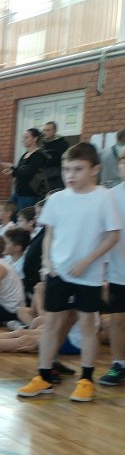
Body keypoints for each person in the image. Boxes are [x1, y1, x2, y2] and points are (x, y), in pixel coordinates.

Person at [18, 143, 122, 402]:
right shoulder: (56, 199)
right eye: (66, 169)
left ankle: (86, 379)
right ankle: (43, 376)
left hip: (88, 275)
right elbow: (49, 235)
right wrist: (47, 260)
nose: (70, 175)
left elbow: (112, 236)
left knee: (88, 325)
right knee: (51, 324)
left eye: (78, 169)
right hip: (59, 273)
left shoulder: (104, 197)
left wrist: (88, 261)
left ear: (94, 169)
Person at [100, 149, 125, 385]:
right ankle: (119, 364)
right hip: (119, 271)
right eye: (123, 162)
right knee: (117, 319)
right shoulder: (111, 196)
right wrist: (104, 271)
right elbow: (104, 234)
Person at [0, 128, 47, 210]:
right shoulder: (24, 155)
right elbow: (20, 172)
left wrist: (12, 167)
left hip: (29, 194)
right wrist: (11, 171)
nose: (23, 140)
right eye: (23, 138)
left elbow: (27, 174)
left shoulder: (38, 156)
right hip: (18, 191)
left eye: (26, 137)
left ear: (35, 139)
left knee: (23, 215)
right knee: (9, 213)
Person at [40, 121, 69, 191]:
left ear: (55, 131)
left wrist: (46, 156)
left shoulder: (62, 143)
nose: (45, 132)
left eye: (48, 130)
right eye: (44, 130)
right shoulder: (42, 145)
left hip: (56, 177)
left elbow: (59, 159)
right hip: (43, 178)